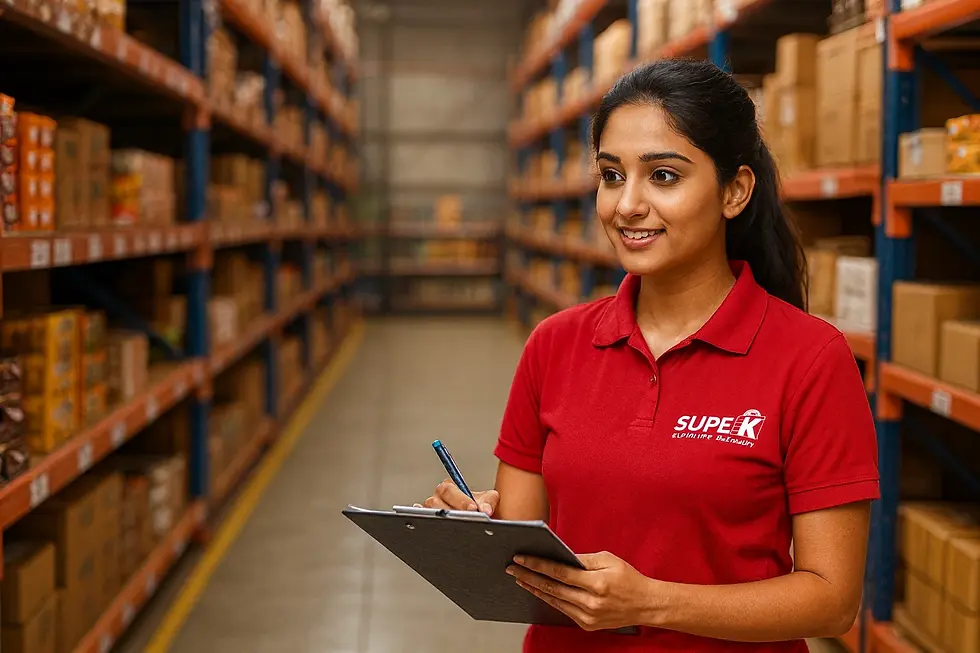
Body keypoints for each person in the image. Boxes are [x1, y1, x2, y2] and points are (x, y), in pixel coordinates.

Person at [423, 59, 879, 652]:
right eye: (611, 176)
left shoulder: (811, 358)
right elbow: (527, 542)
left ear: (735, 191)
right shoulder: (555, 344)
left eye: (663, 176)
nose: (627, 206)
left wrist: (653, 601)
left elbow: (832, 599)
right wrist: (478, 523)